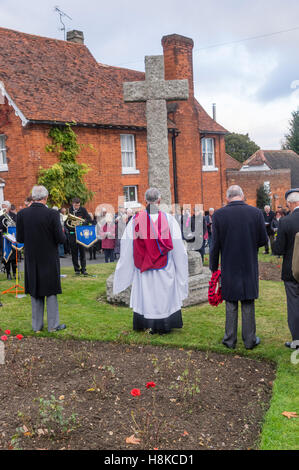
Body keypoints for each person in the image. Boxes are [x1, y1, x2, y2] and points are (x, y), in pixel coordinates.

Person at [113, 187, 188, 335]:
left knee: (146, 295)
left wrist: (124, 266)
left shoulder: (135, 220)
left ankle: (145, 324)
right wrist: (181, 266)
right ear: (159, 201)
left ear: (145, 200)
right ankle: (164, 325)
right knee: (163, 294)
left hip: (144, 267)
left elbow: (127, 245)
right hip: (164, 267)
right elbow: (178, 246)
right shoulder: (169, 220)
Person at [210, 185, 268, 349]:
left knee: (231, 302)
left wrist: (214, 268)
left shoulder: (219, 215)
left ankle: (230, 339)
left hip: (229, 263)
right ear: (242, 196)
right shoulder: (255, 213)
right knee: (248, 301)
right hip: (248, 262)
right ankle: (249, 340)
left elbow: (215, 245)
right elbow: (263, 240)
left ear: (227, 197)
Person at [16, 185, 66, 333]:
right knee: (50, 291)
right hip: (49, 257)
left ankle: (36, 326)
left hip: (31, 257)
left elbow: (19, 238)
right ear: (45, 198)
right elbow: (60, 238)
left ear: (32, 197)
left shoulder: (22, 214)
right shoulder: (52, 214)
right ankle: (53, 325)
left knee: (35, 289)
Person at [272, 189, 299, 350]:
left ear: (291, 203)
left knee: (294, 305)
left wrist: (276, 242)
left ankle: (297, 340)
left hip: (292, 271)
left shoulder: (286, 222)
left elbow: (278, 249)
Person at [68, 197, 92, 276]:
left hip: (81, 233)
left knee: (82, 252)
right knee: (74, 253)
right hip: (72, 234)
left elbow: (89, 219)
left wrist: (81, 224)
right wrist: (72, 227)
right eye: (76, 205)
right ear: (73, 204)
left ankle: (83, 269)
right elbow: (66, 223)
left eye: (78, 205)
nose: (77, 207)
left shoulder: (83, 210)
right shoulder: (69, 210)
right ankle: (77, 270)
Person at [0, 201, 17, 279]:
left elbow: (17, 226)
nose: (3, 208)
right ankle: (8, 274)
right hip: (5, 238)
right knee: (7, 256)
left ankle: (14, 273)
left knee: (14, 256)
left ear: (9, 207)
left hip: (13, 237)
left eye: (5, 207)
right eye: (2, 207)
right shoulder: (1, 217)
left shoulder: (14, 215)